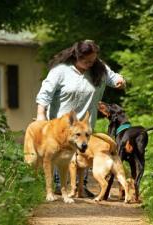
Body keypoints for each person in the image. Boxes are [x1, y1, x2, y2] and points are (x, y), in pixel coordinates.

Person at [35, 40, 125, 197]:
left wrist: (120, 81)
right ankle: (59, 184)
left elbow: (113, 77)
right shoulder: (60, 71)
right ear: (76, 56)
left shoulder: (98, 67)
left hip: (85, 124)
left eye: (93, 60)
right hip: (62, 124)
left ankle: (79, 187)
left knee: (82, 154)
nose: (91, 63)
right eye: (87, 61)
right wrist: (40, 114)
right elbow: (45, 93)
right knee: (62, 153)